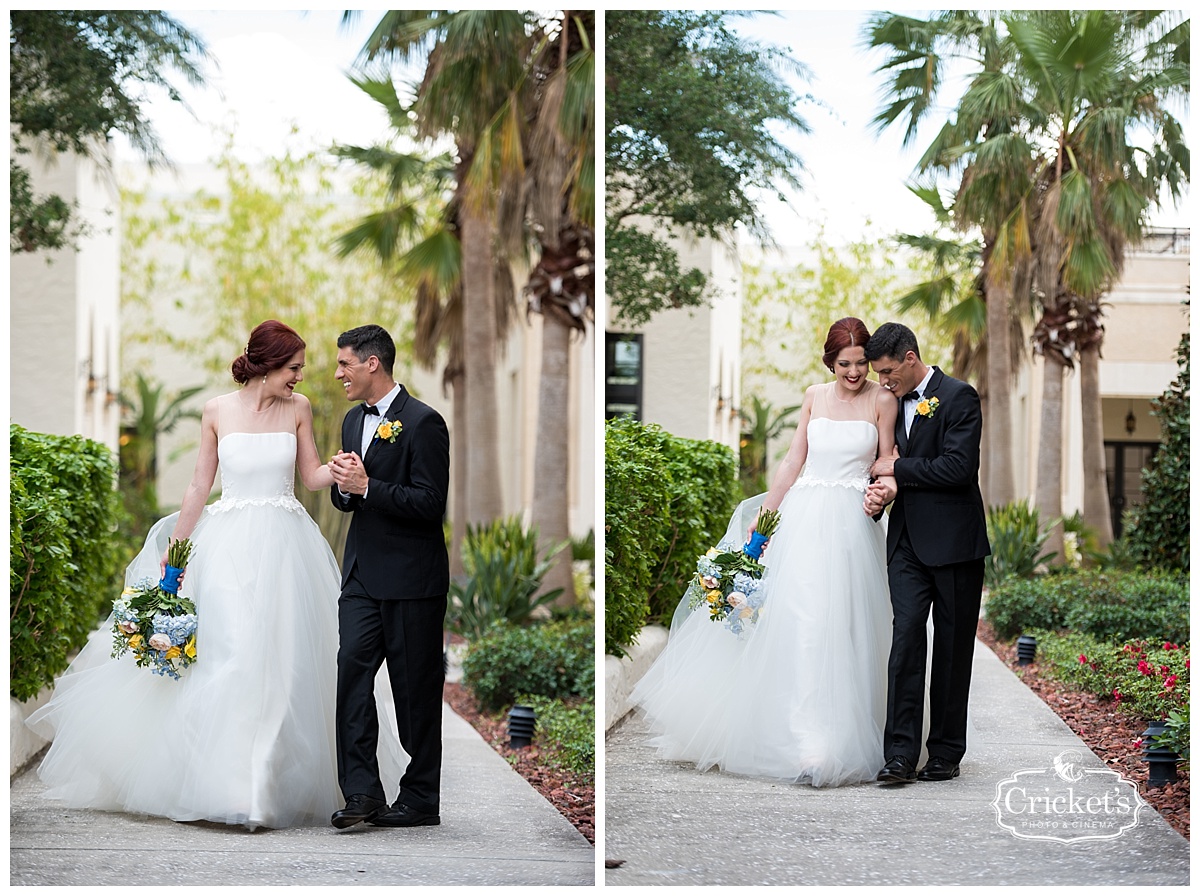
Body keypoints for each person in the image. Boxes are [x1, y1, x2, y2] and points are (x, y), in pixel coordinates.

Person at [27, 320, 405, 829]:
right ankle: (226, 784)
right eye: (293, 368)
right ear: (268, 365)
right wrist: (177, 555)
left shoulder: (300, 409)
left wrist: (344, 470)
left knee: (281, 667)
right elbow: (199, 487)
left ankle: (261, 790)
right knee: (230, 658)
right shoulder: (217, 411)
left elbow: (311, 475)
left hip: (286, 547)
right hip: (226, 548)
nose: (300, 377)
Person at [629, 318, 898, 786]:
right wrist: (768, 516)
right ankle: (798, 739)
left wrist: (884, 490)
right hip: (804, 519)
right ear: (829, 362)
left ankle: (835, 739)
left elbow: (886, 459)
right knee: (798, 622)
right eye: (844, 364)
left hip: (853, 524)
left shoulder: (883, 399)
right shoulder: (815, 396)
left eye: (859, 364)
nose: (853, 373)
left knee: (844, 624)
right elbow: (794, 458)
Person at [327, 324, 450, 829]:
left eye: (345, 364)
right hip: (360, 575)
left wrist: (368, 485)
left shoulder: (425, 423)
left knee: (414, 692)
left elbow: (430, 503)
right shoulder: (352, 420)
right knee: (351, 676)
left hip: (412, 580)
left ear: (372, 363)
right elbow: (347, 498)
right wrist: (345, 485)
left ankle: (420, 798)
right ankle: (362, 793)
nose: (338, 374)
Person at [863, 322, 990, 784]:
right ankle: (899, 754)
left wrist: (900, 467)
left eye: (889, 372)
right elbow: (876, 459)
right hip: (907, 546)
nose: (883, 381)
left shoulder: (960, 396)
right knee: (906, 642)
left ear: (911, 359)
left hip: (956, 546)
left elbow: (958, 468)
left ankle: (945, 753)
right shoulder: (888, 405)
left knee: (953, 652)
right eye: (879, 373)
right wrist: (879, 488)